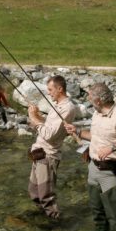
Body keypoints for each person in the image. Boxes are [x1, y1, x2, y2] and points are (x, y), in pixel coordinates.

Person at [65, 83, 116, 231]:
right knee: (96, 208)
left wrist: (114, 147)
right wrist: (77, 131)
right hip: (93, 168)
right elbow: (95, 136)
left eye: (90, 96)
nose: (88, 98)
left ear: (98, 100)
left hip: (110, 171)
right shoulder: (97, 114)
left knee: (115, 213)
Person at [28, 75, 76, 219]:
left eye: (50, 90)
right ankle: (43, 218)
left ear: (60, 89)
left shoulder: (67, 108)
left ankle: (55, 224)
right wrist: (37, 116)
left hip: (48, 156)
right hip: (38, 153)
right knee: (34, 192)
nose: (48, 93)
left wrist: (33, 119)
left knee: (46, 196)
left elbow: (49, 134)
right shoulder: (57, 105)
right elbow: (49, 123)